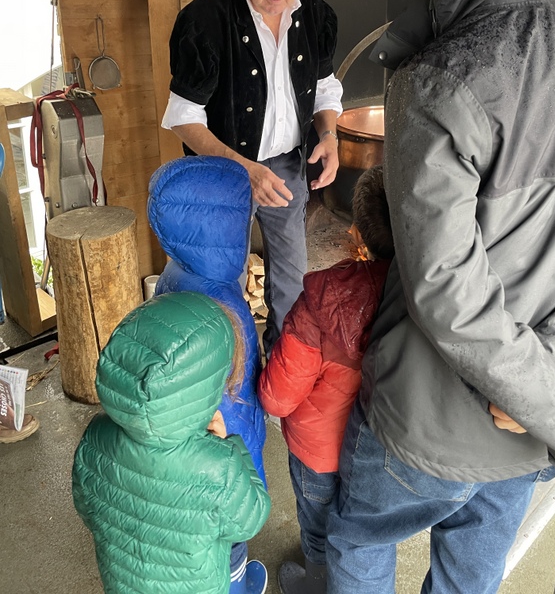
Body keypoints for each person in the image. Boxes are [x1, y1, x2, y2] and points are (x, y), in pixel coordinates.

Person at [326, 0, 555, 594]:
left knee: (356, 538)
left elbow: (446, 291)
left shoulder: (440, 75)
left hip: (433, 422)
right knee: (471, 575)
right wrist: (553, 382)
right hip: (532, 427)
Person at [164, 0, 343, 356]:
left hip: (287, 170)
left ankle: (282, 370)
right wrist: (244, 168)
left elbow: (325, 87)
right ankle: (234, 372)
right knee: (224, 280)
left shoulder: (316, 14)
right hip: (224, 176)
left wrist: (329, 136)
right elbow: (184, 116)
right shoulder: (203, 21)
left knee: (292, 280)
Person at [72, 291, 271, 594]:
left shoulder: (95, 436)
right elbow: (250, 519)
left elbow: (87, 508)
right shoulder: (218, 466)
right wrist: (230, 447)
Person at [258, 166, 394, 594]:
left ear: (358, 232)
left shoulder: (321, 300)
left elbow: (277, 399)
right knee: (371, 531)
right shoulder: (433, 293)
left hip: (318, 451)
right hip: (385, 450)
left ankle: (316, 584)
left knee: (318, 526)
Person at [147, 154, 268, 591]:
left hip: (184, 437)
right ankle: (236, 584)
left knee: (198, 526)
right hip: (225, 439)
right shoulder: (226, 301)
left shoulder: (176, 272)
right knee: (228, 530)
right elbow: (236, 391)